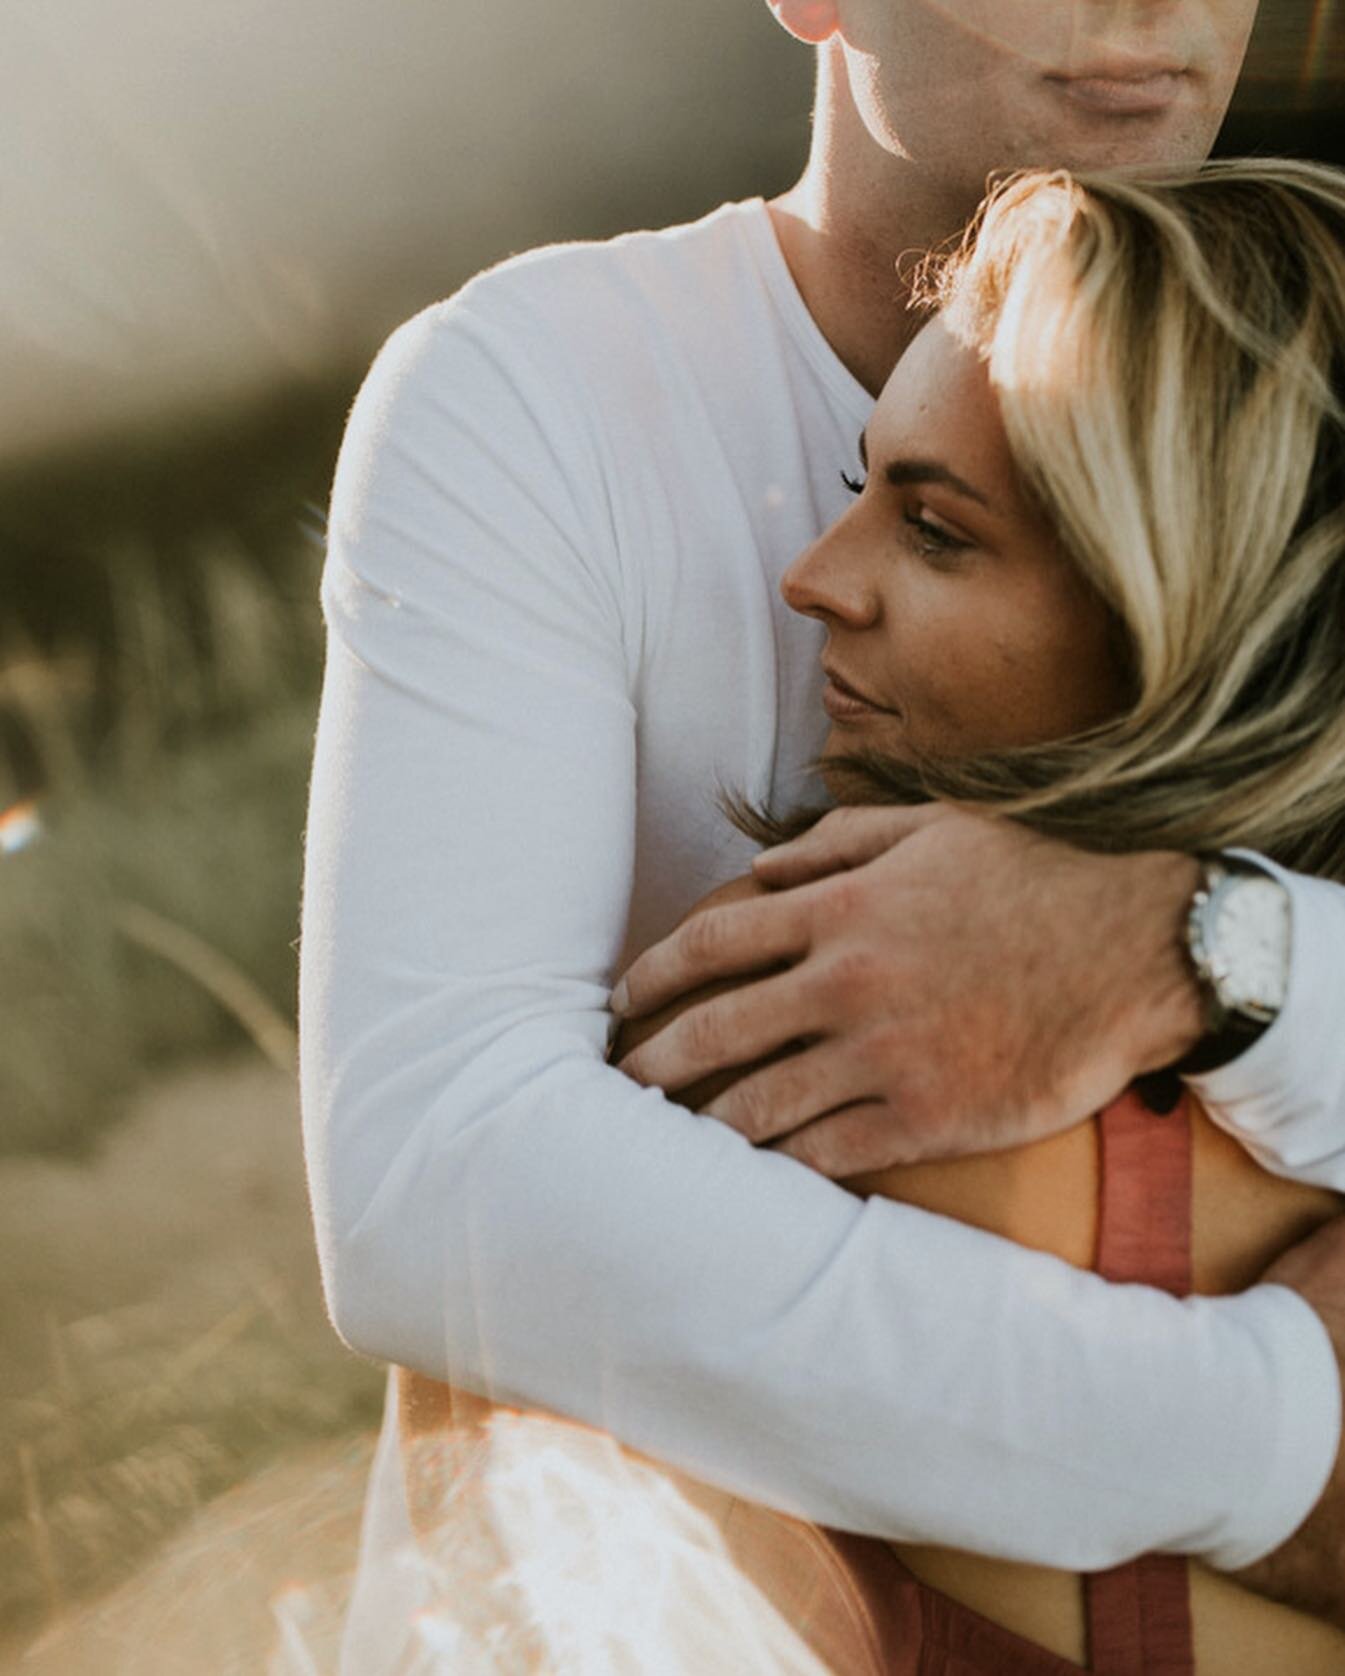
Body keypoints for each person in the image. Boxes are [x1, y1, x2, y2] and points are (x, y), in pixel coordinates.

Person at [299, 0, 1345, 1658]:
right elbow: (444, 1177)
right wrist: (1271, 1442)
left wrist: (1216, 947)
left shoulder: (1308, 379)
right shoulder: (540, 389)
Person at [611, 156, 1345, 1670]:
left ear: (1188, 618)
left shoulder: (821, 1062)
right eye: (854, 492)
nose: (814, 582)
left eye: (937, 530)